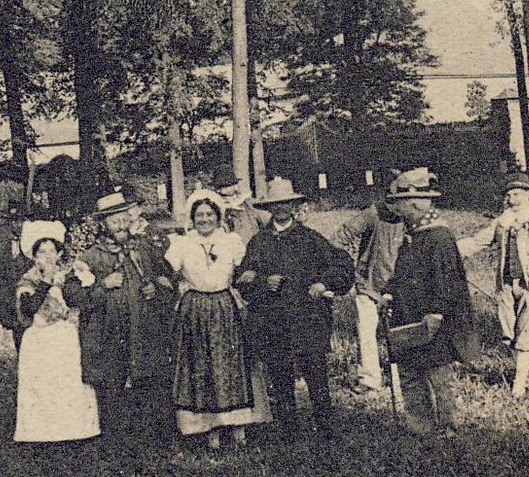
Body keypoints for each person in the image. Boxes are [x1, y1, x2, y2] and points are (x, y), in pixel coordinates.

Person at [235, 176, 353, 437]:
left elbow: (342, 265)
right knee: (280, 376)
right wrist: (265, 282)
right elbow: (242, 279)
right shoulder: (258, 242)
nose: (281, 209)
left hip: (307, 318)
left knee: (316, 375)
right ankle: (289, 431)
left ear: (294, 206)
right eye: (276, 204)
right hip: (272, 321)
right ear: (269, 209)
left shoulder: (309, 239)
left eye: (286, 204)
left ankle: (326, 430)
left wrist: (323, 283)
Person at [65, 190, 177, 449]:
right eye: (112, 220)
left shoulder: (144, 249)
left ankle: (152, 443)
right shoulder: (91, 257)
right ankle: (116, 447)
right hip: (107, 335)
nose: (120, 224)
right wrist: (102, 285)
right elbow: (72, 295)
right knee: (111, 389)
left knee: (148, 384)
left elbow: (169, 278)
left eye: (122, 218)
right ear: (103, 224)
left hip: (143, 331)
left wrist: (156, 290)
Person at [165, 190, 269, 449]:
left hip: (224, 307)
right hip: (195, 309)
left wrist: (247, 276)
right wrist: (174, 283)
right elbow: (165, 271)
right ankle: (209, 429)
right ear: (192, 218)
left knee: (230, 365)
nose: (204, 219)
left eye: (209, 214)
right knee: (203, 366)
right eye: (199, 215)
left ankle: (238, 428)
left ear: (218, 216)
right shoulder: (182, 244)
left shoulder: (231, 241)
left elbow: (248, 268)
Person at [382, 168, 477, 431]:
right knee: (410, 372)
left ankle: (447, 426)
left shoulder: (439, 236)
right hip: (407, 316)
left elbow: (447, 281)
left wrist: (436, 313)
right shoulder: (413, 233)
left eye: (401, 204)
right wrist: (389, 291)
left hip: (433, 320)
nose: (398, 210)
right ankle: (420, 425)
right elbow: (401, 271)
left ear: (415, 203)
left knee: (438, 374)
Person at [456, 172, 529, 398]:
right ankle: (526, 368)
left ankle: (518, 385)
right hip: (506, 285)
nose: (512, 199)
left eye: (517, 194)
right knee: (510, 332)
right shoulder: (502, 221)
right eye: (509, 194)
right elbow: (477, 241)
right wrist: (451, 250)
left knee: (527, 332)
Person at [12, 221, 101, 444]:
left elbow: (79, 301)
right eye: (42, 252)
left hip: (64, 338)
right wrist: (45, 281)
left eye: (52, 251)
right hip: (40, 339)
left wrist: (79, 280)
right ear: (34, 256)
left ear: (59, 253)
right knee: (43, 388)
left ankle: (71, 432)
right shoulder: (29, 280)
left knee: (67, 384)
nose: (48, 256)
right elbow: (29, 309)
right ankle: (42, 433)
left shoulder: (66, 276)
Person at [334, 188, 406, 392]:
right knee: (366, 332)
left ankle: (402, 378)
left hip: (400, 284)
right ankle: (370, 378)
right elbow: (340, 238)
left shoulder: (412, 217)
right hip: (369, 285)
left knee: (401, 332)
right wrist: (348, 268)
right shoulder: (373, 214)